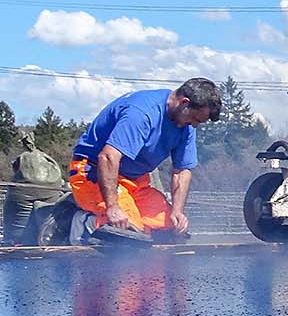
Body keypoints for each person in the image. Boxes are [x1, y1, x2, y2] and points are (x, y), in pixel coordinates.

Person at [68, 78, 221, 242]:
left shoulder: (186, 125)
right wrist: (113, 208)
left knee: (170, 230)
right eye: (195, 119)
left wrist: (177, 211)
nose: (195, 126)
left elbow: (182, 171)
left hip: (135, 182)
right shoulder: (141, 113)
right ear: (184, 103)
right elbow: (107, 157)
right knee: (127, 232)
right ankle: (85, 222)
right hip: (93, 174)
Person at [0, 132, 65, 247]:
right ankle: (45, 239)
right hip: (50, 192)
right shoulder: (38, 158)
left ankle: (15, 239)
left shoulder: (22, 162)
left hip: (17, 238)